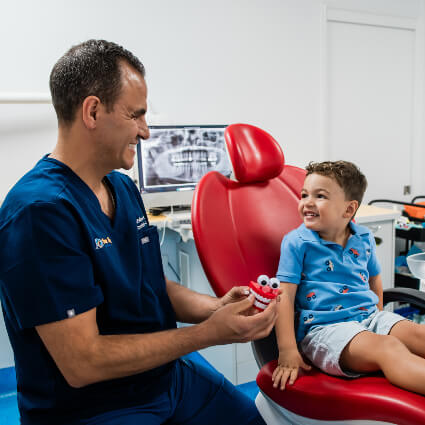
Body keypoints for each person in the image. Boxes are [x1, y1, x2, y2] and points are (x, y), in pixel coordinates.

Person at [0, 39, 278, 425]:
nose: (146, 132)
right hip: (93, 407)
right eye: (136, 115)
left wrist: (217, 308)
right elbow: (83, 362)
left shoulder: (122, 187)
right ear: (93, 111)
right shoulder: (40, 212)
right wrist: (209, 334)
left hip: (162, 378)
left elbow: (151, 285)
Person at [272, 160, 425, 395]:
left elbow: (375, 279)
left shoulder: (363, 237)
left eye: (319, 196)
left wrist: (381, 319)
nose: (307, 203)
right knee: (389, 347)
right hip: (325, 329)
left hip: (369, 318)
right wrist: (287, 350)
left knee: (418, 334)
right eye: (304, 195)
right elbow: (284, 297)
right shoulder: (297, 242)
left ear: (349, 209)